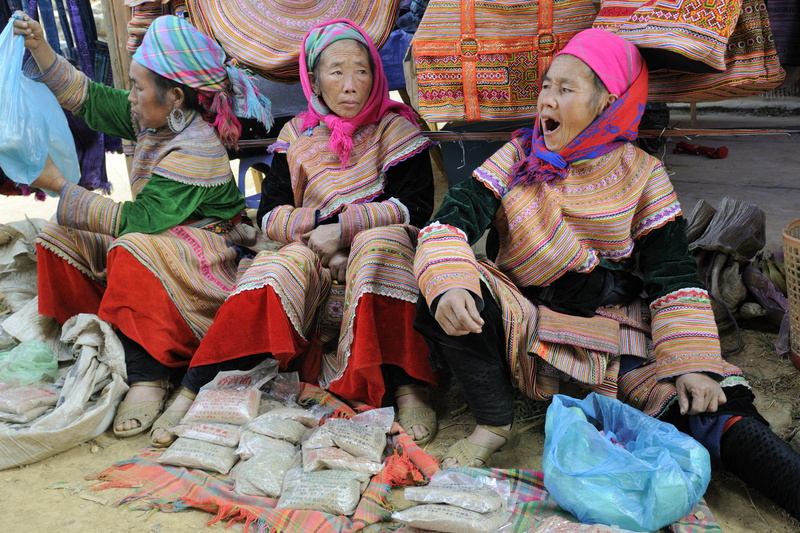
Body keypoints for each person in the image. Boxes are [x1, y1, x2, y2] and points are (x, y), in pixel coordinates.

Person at [413, 28, 800, 518]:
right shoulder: (517, 157)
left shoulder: (643, 174)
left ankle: (782, 476)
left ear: (608, 104)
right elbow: (453, 219)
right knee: (444, 274)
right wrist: (451, 282)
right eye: (547, 85)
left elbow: (673, 273)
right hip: (522, 315)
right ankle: (493, 422)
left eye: (565, 89)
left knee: (703, 401)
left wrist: (693, 364)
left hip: (609, 326)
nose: (547, 99)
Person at [149, 19, 439, 448]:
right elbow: (270, 216)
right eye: (336, 71)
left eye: (361, 71)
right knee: (278, 263)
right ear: (315, 81)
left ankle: (407, 387)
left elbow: (414, 207)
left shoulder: (396, 129)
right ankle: (194, 387)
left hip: (376, 256)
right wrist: (324, 237)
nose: (350, 84)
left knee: (381, 243)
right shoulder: (297, 135)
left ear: (376, 76)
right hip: (315, 258)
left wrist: (346, 232)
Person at [12, 14, 272, 438]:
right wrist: (39, 46)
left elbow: (139, 221)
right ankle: (101, 337)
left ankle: (150, 371)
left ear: (175, 96)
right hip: (162, 247)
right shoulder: (152, 117)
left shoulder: (196, 147)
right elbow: (88, 97)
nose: (130, 96)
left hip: (210, 258)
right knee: (58, 237)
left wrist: (60, 185)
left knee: (132, 247)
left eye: (137, 87)